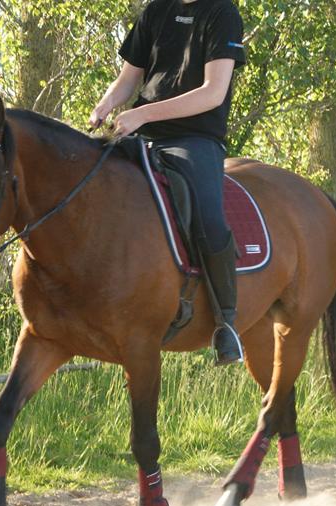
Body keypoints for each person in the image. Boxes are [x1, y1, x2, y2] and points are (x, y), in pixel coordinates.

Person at [89, 0, 247, 365]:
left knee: (208, 218)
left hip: (196, 139)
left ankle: (227, 323)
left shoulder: (223, 14)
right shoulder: (155, 11)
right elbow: (129, 79)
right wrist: (104, 107)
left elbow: (213, 92)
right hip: (140, 135)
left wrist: (142, 113)